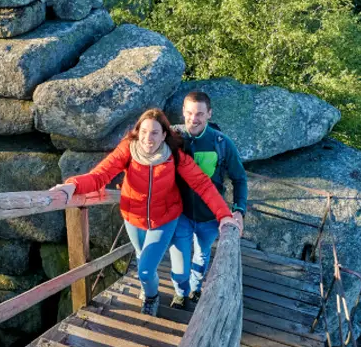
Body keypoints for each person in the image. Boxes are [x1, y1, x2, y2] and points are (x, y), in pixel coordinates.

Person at [50, 108, 242, 317]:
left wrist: (224, 215)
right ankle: (148, 286)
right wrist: (72, 186)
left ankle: (152, 297)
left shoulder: (174, 156)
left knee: (145, 269)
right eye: (143, 132)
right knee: (142, 256)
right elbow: (100, 175)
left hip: (164, 220)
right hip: (133, 219)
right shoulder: (128, 150)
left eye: (154, 133)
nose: (147, 138)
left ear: (164, 135)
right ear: (137, 131)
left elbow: (203, 184)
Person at [168, 91, 248, 308]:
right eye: (190, 113)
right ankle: (180, 292)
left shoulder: (221, 143)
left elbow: (239, 178)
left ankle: (194, 289)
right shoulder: (173, 137)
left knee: (202, 256)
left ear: (209, 114)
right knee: (179, 260)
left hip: (210, 216)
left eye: (200, 114)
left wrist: (239, 209)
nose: (194, 119)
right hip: (181, 213)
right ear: (183, 112)